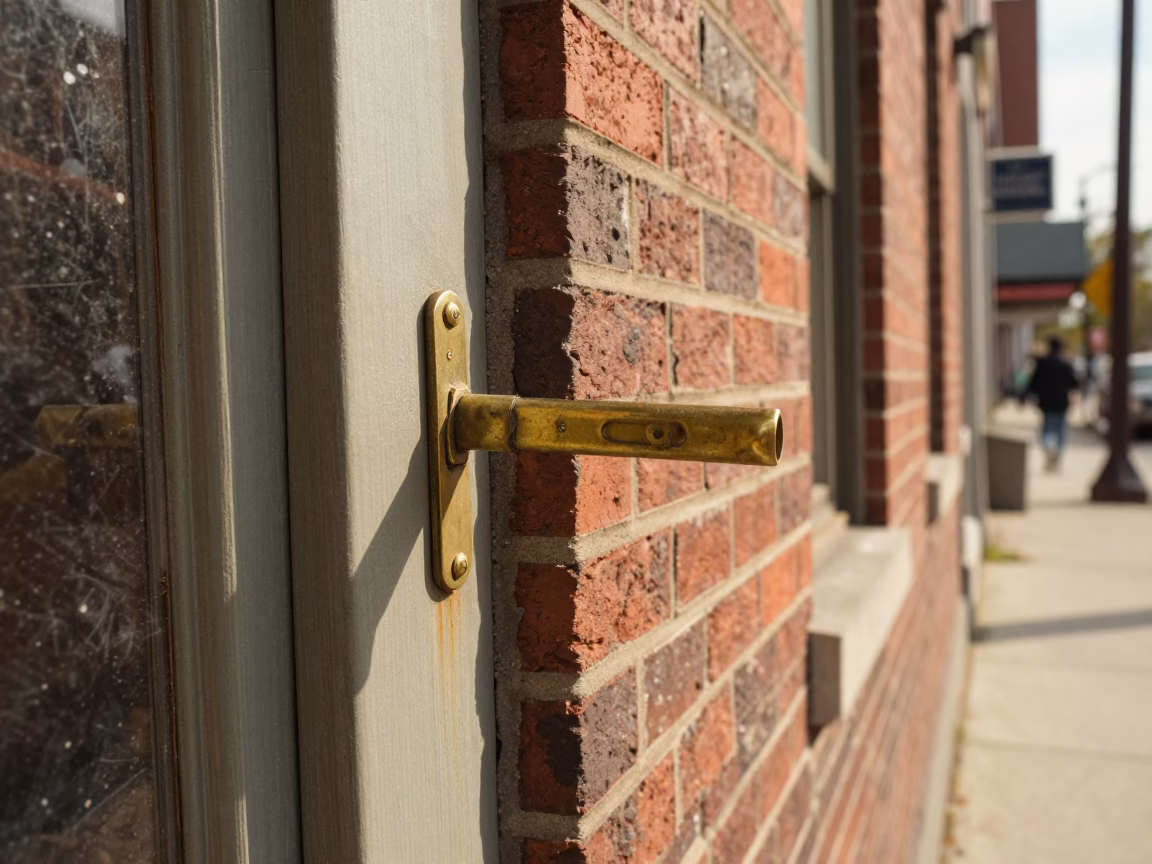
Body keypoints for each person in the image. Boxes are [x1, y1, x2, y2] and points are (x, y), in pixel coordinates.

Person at [1025, 335, 1080, 470]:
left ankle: (1049, 449)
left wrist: (1026, 396)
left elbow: (1033, 383)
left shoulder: (1042, 363)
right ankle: (1056, 455)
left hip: (1046, 402)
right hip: (1061, 402)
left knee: (1047, 429)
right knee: (1060, 431)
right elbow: (1075, 383)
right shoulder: (1066, 364)